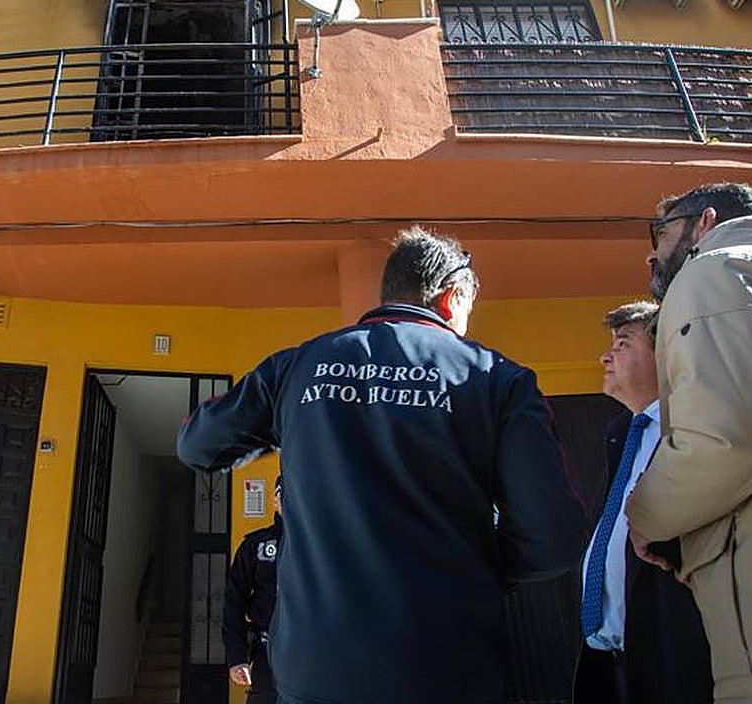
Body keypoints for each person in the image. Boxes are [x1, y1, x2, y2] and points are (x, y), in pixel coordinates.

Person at [178, 227, 585, 704]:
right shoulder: (499, 379)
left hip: (316, 671)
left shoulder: (298, 366)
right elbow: (553, 537)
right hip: (446, 666)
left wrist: (287, 422)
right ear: (452, 298)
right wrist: (476, 567)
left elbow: (199, 445)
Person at [625, 182, 752, 704]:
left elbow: (725, 443)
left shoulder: (714, 272)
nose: (651, 253)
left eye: (660, 232)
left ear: (705, 222)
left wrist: (645, 519)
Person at [573, 301, 712, 704]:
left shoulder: (688, 431)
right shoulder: (623, 436)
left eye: (622, 344)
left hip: (673, 656)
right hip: (611, 661)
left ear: (665, 355)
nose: (606, 357)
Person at [224, 475, 283, 704]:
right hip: (268, 651)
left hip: (314, 653)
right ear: (275, 500)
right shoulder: (256, 545)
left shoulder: (322, 545)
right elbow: (234, 601)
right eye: (284, 494)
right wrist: (237, 656)